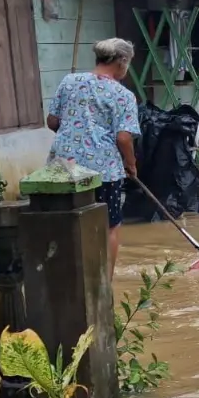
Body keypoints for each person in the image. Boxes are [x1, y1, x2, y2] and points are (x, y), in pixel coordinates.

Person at [46, 38, 141, 270]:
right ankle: (103, 287)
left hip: (62, 169)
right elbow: (123, 137)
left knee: (64, 224)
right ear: (122, 62)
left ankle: (66, 279)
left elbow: (52, 121)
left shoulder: (69, 81)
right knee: (109, 227)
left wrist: (72, 132)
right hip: (104, 172)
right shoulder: (124, 95)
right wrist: (131, 163)